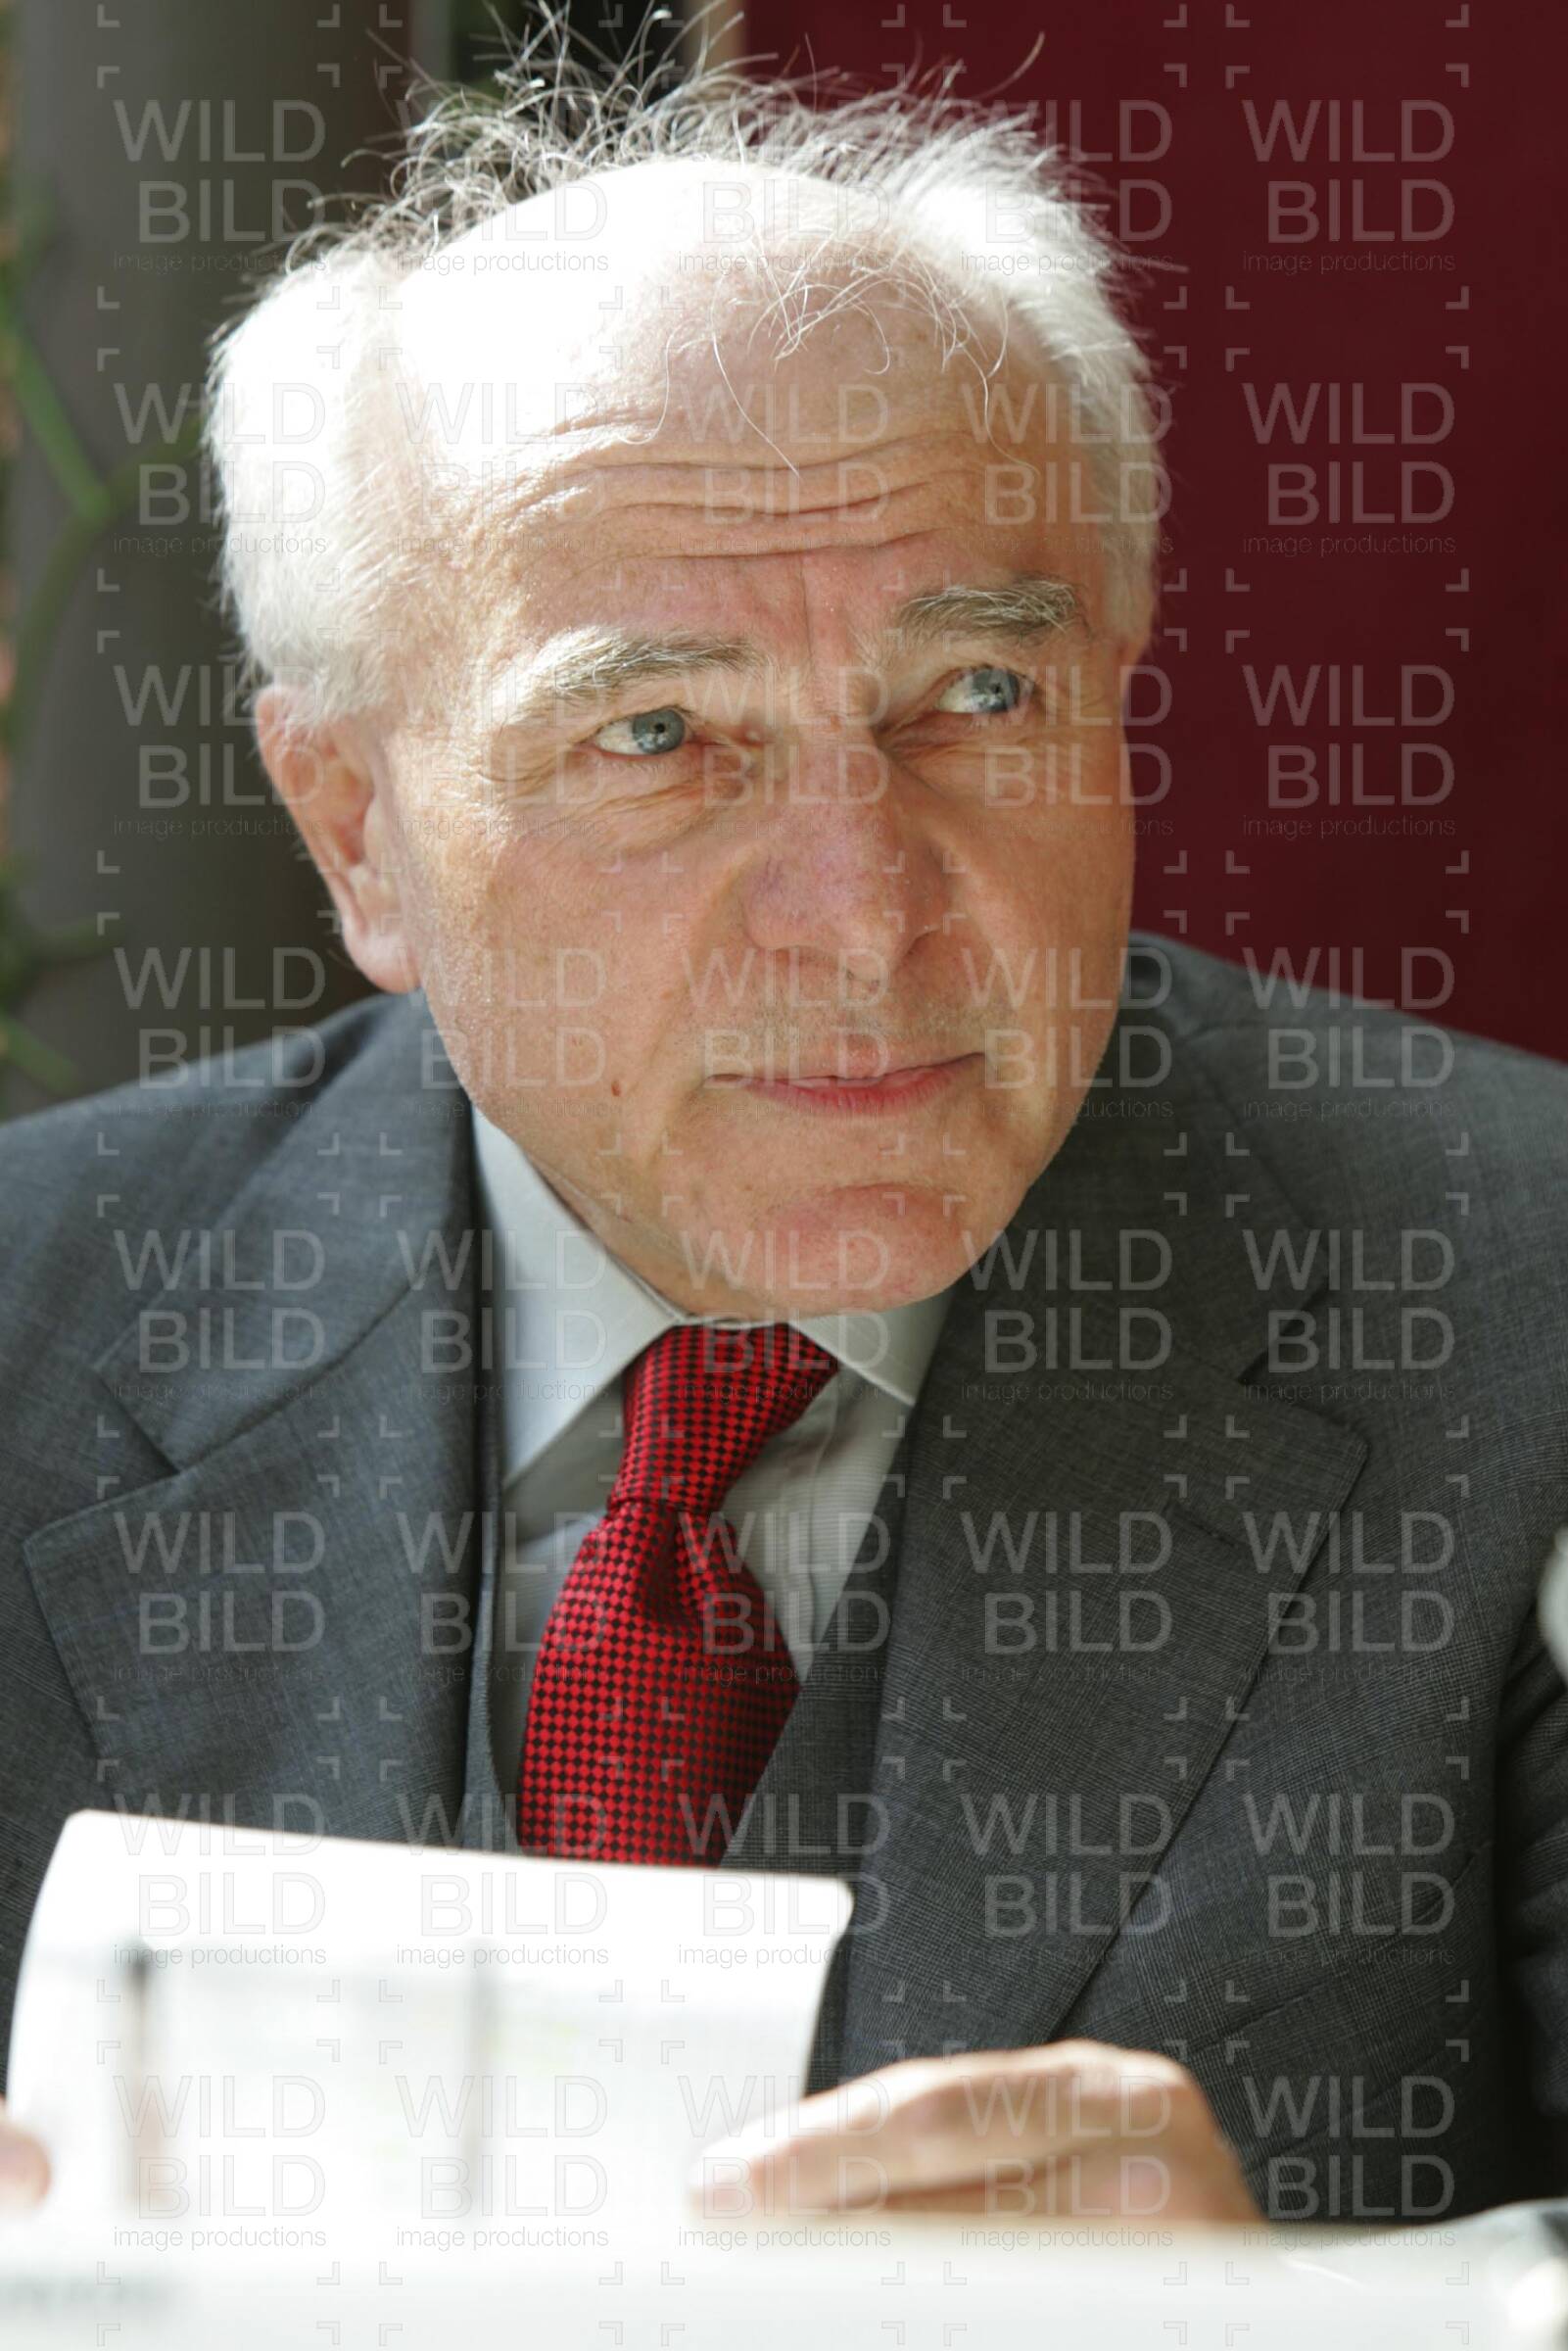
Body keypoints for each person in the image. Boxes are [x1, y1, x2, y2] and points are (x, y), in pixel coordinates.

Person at [1, 26, 1565, 2233]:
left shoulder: (1521, 1304)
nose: (864, 912)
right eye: (659, 736)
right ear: (355, 829)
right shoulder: (35, 1326)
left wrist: (1309, 2330)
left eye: (979, 698)